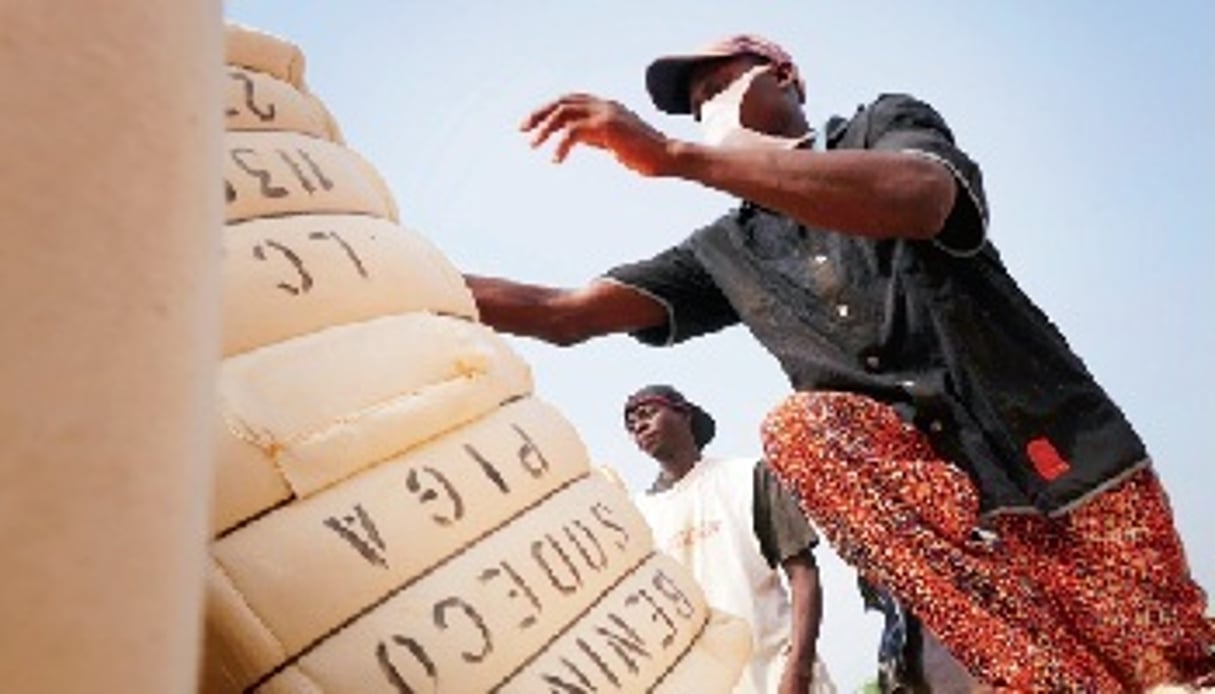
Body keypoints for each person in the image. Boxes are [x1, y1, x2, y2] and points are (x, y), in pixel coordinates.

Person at [465, 33, 1215, 690]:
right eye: (691, 108)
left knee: (1172, 669)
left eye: (720, 84)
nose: (706, 112)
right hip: (942, 538)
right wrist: (380, 267)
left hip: (1060, 468)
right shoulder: (725, 250)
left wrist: (680, 158)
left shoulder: (883, 127)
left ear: (783, 76)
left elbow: (920, 200)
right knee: (800, 429)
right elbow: (564, 313)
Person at [623, 384, 834, 694]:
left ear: (684, 414)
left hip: (778, 676)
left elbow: (803, 575)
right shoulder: (640, 515)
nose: (638, 425)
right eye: (630, 424)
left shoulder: (748, 476)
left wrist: (798, 671)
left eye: (647, 413)